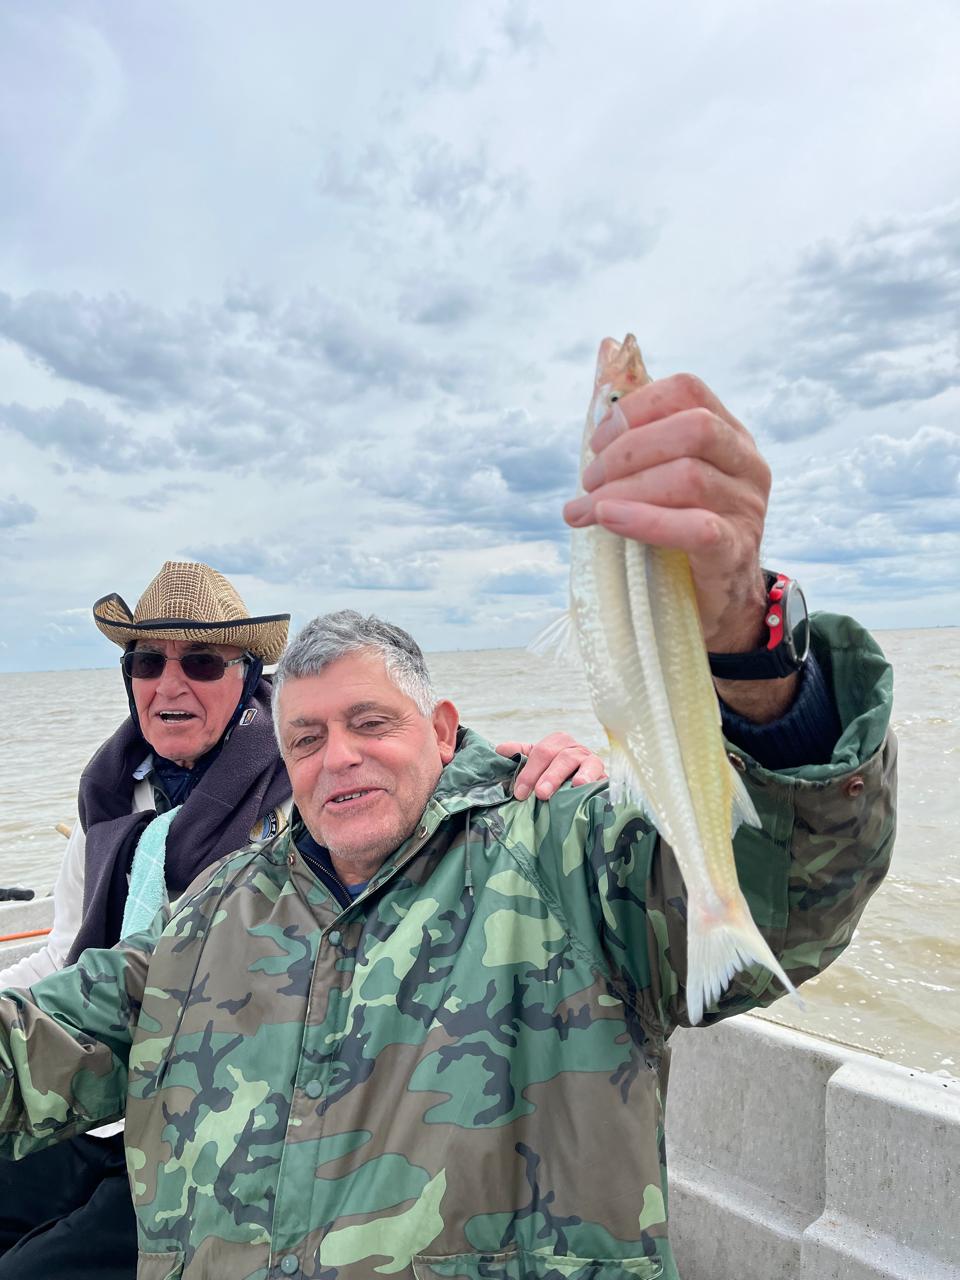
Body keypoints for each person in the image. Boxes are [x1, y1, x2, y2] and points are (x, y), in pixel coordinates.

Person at [0, 373, 896, 1280]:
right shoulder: (210, 920)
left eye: (371, 723)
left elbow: (792, 886)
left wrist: (750, 644)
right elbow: (40, 1039)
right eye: (305, 738)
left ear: (439, 730)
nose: (336, 757)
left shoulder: (561, 862)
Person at [0, 562, 605, 1280]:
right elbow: (78, 970)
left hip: (223, 1121)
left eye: (199, 661)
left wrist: (543, 781)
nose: (168, 684)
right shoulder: (118, 808)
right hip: (118, 1093)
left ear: (248, 676)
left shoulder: (323, 808)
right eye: (145, 662)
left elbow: (431, 809)